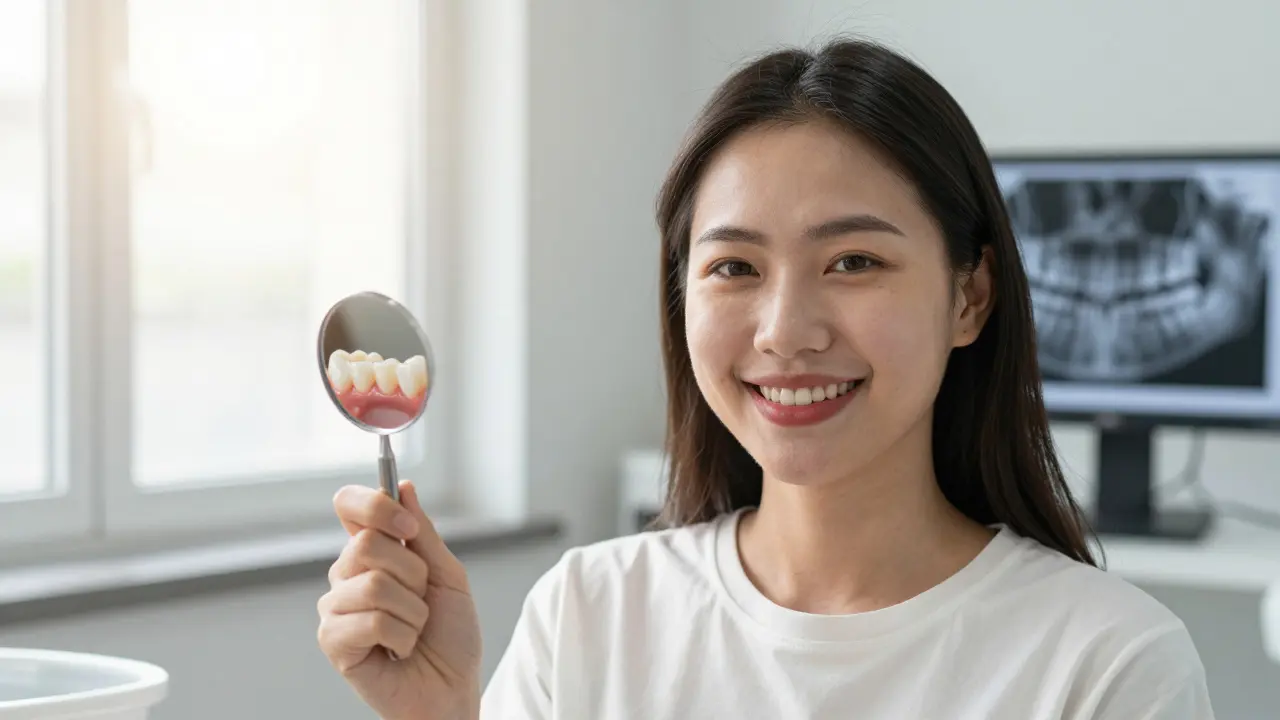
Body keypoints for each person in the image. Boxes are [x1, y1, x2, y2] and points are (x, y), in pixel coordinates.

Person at [316, 37, 1216, 719]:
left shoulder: (1107, 665)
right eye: (735, 268)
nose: (785, 332)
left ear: (969, 297)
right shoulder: (590, 614)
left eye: (855, 261)